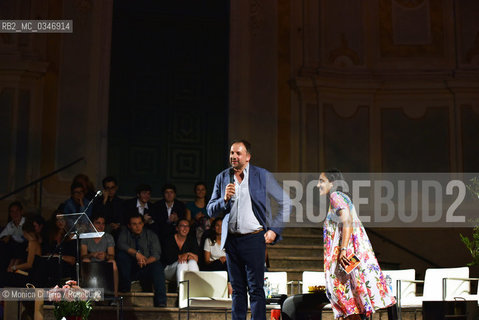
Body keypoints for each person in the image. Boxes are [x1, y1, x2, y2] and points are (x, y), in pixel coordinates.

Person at [207, 139, 291, 320]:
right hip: (232, 240)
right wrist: (224, 200)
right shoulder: (222, 178)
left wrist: (274, 229)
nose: (234, 157)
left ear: (248, 157)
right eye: (232, 153)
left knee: (255, 289)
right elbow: (210, 209)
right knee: (237, 289)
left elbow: (286, 202)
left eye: (238, 153)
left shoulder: (262, 176)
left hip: (254, 239)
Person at [318, 169, 396, 320]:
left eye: (321, 181)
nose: (318, 185)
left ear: (332, 183)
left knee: (347, 302)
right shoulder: (343, 197)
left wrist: (343, 250)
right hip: (350, 256)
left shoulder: (336, 196)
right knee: (351, 303)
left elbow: (348, 221)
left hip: (344, 258)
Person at [116, 214, 166, 307]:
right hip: (130, 268)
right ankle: (125, 291)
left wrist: (145, 261)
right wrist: (136, 254)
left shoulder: (150, 234)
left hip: (146, 266)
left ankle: (161, 301)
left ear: (143, 224)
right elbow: (121, 244)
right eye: (134, 224)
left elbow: (156, 254)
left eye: (139, 223)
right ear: (129, 225)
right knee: (121, 255)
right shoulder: (125, 232)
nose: (137, 226)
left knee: (158, 265)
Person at [81, 214, 118, 296]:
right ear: (92, 225)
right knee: (85, 261)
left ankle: (115, 296)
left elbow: (112, 256)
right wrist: (92, 255)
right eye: (98, 223)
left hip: (104, 262)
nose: (101, 226)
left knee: (113, 263)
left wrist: (105, 256)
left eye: (103, 223)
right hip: (91, 262)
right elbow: (83, 255)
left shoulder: (108, 237)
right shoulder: (86, 237)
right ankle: (87, 297)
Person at [0, 220, 42, 287]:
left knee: (5, 277)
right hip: (27, 272)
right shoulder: (31, 243)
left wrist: (14, 267)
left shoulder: (32, 243)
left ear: (25, 232)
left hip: (31, 275)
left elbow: (29, 264)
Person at [161, 217, 200, 284]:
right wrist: (188, 256)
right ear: (177, 228)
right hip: (169, 270)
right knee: (183, 263)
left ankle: (195, 288)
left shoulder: (192, 240)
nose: (185, 228)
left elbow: (196, 258)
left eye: (187, 226)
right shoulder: (169, 240)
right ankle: (181, 289)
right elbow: (170, 259)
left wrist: (187, 254)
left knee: (193, 262)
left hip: (185, 269)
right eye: (182, 226)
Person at [0, 201, 27, 271]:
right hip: (13, 250)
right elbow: (2, 236)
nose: (14, 214)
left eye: (17, 211)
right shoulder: (10, 225)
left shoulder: (26, 222)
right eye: (12, 211)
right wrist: (6, 238)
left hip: (26, 247)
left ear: (21, 212)